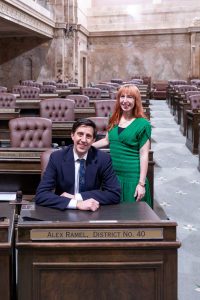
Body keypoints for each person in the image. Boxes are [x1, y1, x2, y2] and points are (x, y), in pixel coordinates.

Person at [35, 118, 121, 211]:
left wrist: (77, 197)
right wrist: (77, 204)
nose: (83, 140)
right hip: (63, 211)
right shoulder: (57, 158)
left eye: (88, 136)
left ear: (93, 140)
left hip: (92, 212)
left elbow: (114, 194)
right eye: (80, 134)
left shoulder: (103, 159)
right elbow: (41, 195)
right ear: (72, 135)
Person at [92, 84, 152, 208]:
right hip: (113, 176)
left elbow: (144, 154)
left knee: (133, 217)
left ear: (136, 101)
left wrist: (141, 184)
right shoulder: (113, 119)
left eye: (130, 97)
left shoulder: (143, 124)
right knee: (114, 216)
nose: (125, 101)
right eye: (122, 97)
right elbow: (106, 141)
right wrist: (87, 146)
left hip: (132, 177)